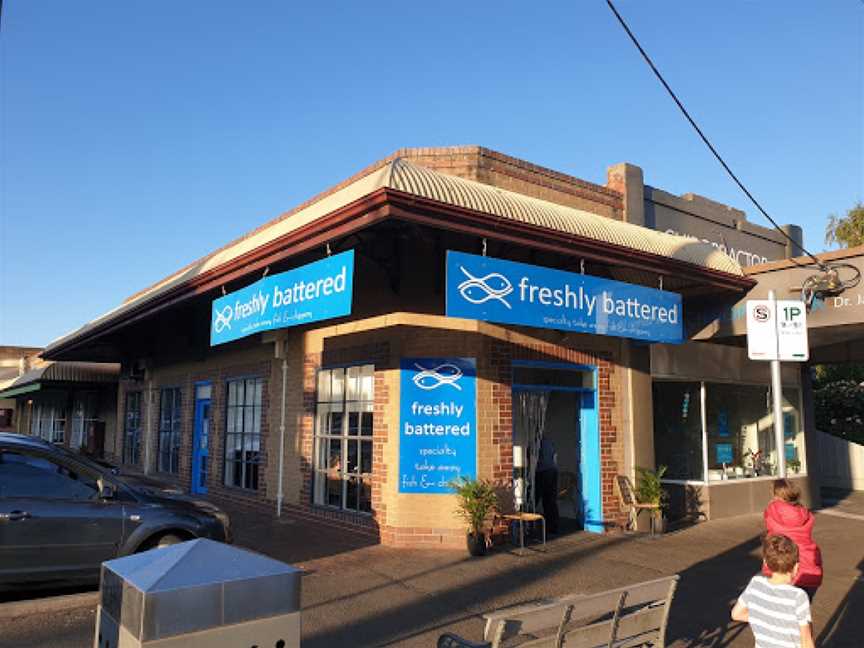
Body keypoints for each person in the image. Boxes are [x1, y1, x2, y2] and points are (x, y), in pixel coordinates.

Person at [732, 534, 815, 648]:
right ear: (796, 567)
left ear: (766, 563)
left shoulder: (755, 583)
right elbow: (806, 641)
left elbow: (736, 614)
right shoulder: (798, 597)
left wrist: (764, 618)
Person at [764, 479, 823, 600]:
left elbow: (770, 532)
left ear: (776, 494)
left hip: (782, 566)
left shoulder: (772, 511)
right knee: (801, 611)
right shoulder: (804, 512)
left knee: (781, 612)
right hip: (809, 564)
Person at [534, 437, 559, 534]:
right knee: (550, 500)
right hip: (552, 471)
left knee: (535, 498)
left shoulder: (536, 443)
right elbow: (555, 457)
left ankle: (528, 525)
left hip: (542, 472)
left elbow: (532, 459)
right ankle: (553, 527)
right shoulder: (549, 442)